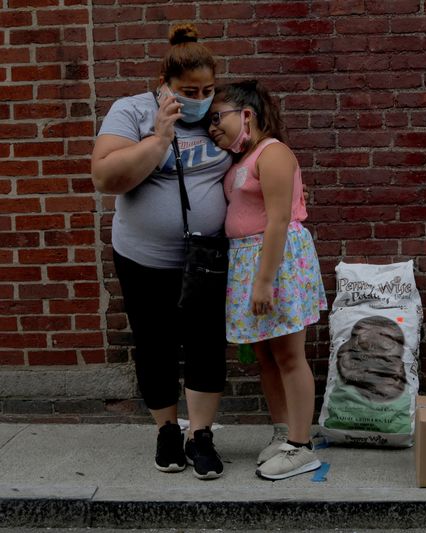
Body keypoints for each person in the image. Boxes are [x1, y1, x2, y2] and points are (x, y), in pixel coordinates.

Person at [91, 24, 230, 480]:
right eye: (189, 90)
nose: (201, 97)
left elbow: (260, 153)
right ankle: (168, 430)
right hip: (143, 257)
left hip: (206, 257)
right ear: (164, 85)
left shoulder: (222, 114)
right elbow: (107, 176)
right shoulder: (130, 112)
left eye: (208, 89)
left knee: (207, 343)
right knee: (155, 345)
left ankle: (201, 435)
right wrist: (159, 139)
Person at [208, 80, 327, 480]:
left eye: (217, 117)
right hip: (250, 262)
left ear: (247, 115)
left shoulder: (273, 153)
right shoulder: (243, 158)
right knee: (267, 358)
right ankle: (282, 434)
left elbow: (278, 220)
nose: (212, 127)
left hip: (274, 263)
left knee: (290, 356)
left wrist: (264, 282)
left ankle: (301, 446)